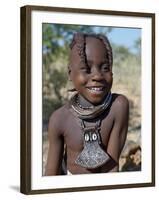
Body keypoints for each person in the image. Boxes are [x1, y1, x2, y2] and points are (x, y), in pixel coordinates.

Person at [45, 32, 129, 175]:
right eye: (87, 69)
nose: (97, 76)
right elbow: (51, 176)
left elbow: (111, 170)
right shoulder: (59, 119)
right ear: (70, 74)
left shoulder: (118, 106)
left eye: (105, 68)